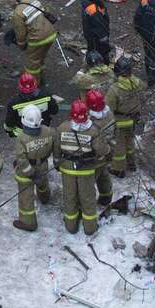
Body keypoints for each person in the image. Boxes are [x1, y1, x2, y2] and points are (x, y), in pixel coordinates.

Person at [10, 102, 57, 230]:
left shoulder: (21, 137)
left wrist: (31, 173)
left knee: (26, 196)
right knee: (42, 183)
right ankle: (45, 197)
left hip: (26, 172)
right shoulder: (48, 131)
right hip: (42, 165)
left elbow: (22, 159)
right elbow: (56, 146)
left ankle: (28, 222)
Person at [57, 99, 100, 236]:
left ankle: (71, 226)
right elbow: (102, 150)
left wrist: (58, 163)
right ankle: (90, 228)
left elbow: (57, 150)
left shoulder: (62, 128)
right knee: (87, 198)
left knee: (70, 197)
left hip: (67, 168)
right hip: (86, 169)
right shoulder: (93, 131)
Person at [108, 55, 145, 175]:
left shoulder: (115, 89)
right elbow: (142, 99)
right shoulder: (138, 83)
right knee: (130, 141)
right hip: (133, 119)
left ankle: (118, 169)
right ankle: (131, 163)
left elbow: (109, 107)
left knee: (119, 144)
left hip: (120, 120)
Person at [9, 0, 57, 82]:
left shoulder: (17, 14)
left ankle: (33, 87)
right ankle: (41, 78)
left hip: (38, 39)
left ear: (12, 4)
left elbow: (21, 34)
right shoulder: (31, 0)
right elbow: (46, 10)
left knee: (32, 65)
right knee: (41, 57)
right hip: (51, 33)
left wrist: (22, 45)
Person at [84, 87, 116, 206]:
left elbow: (92, 140)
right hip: (109, 150)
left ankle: (88, 203)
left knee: (89, 180)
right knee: (103, 174)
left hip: (97, 153)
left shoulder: (92, 122)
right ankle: (106, 197)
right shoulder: (109, 114)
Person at [81, 0, 112, 65]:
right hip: (96, 38)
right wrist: (105, 43)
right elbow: (100, 27)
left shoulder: (89, 2)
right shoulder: (93, 9)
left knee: (92, 51)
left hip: (92, 36)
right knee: (100, 55)